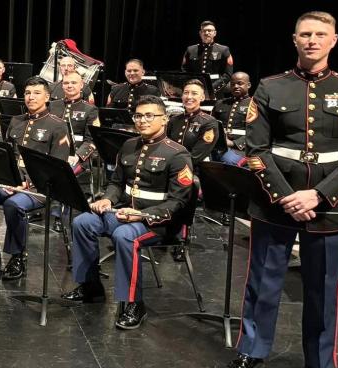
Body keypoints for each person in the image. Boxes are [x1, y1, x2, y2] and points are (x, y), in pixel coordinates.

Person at [222, 12, 338, 368]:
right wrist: (285, 196)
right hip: (274, 199)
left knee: (324, 287)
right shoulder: (269, 86)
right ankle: (251, 349)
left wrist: (318, 194)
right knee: (263, 282)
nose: (312, 40)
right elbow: (256, 149)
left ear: (334, 40)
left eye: (320, 34)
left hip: (331, 202)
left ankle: (320, 363)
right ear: (294, 39)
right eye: (305, 34)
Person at [60, 95, 194, 330]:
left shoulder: (178, 154)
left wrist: (142, 215)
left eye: (149, 116)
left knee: (125, 236)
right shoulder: (129, 145)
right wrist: (107, 199)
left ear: (164, 119)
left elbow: (179, 202)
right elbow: (116, 182)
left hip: (159, 223)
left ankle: (133, 303)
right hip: (124, 213)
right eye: (138, 116)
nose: (142, 120)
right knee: (83, 222)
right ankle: (91, 286)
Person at [0, 77, 71, 279]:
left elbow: (56, 168)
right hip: (10, 182)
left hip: (40, 187)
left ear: (47, 97)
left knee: (13, 205)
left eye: (37, 93)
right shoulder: (16, 121)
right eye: (28, 93)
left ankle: (17, 256)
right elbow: (5, 156)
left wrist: (26, 183)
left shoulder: (58, 126)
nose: (31, 97)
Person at [48, 71, 100, 169]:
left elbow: (92, 140)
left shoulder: (90, 109)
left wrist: (77, 156)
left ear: (81, 85)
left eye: (73, 82)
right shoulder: (52, 105)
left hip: (76, 155)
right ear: (62, 86)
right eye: (66, 83)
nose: (69, 85)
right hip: (52, 152)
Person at [165, 79, 220, 166]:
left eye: (194, 93)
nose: (189, 97)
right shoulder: (174, 120)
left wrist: (173, 166)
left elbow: (196, 156)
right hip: (169, 165)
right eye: (186, 93)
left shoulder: (209, 122)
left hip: (194, 168)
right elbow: (166, 145)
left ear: (202, 97)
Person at [181, 20, 234, 94]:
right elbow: (185, 70)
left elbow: (227, 74)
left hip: (215, 90)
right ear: (200, 33)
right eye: (204, 31)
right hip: (194, 89)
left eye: (209, 31)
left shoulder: (223, 50)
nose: (206, 33)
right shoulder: (191, 49)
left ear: (214, 33)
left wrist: (212, 88)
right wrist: (193, 85)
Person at [211, 72, 252, 166]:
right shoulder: (221, 103)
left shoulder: (254, 105)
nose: (236, 86)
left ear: (248, 85)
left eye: (240, 83)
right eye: (233, 84)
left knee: (229, 161)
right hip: (218, 146)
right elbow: (211, 125)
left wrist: (234, 143)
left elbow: (257, 132)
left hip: (241, 149)